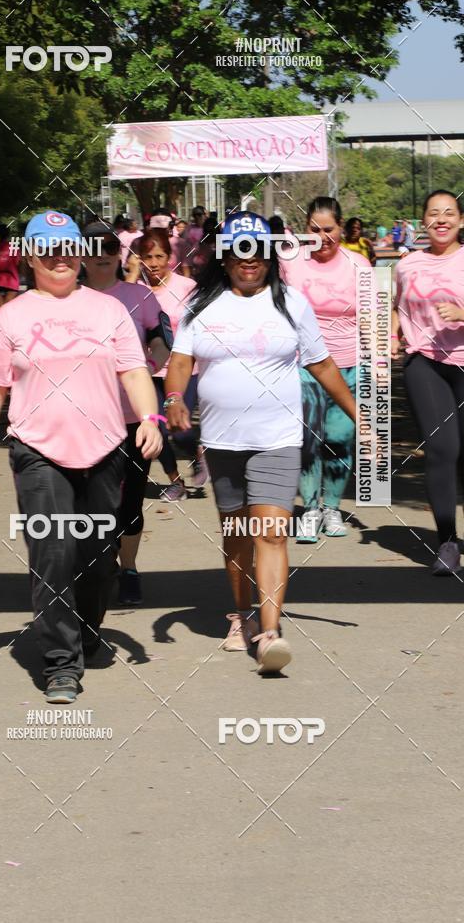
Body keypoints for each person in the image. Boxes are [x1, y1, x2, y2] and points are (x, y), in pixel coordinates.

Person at [0, 211, 162, 703]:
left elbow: (135, 370)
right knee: (52, 552)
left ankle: (88, 625)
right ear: (31, 256)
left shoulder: (108, 311)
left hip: (105, 449)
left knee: (98, 558)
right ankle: (60, 663)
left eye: (68, 249)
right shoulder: (10, 317)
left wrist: (149, 418)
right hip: (37, 452)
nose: (60, 259)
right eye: (48, 250)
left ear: (79, 254)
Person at [166, 212, 356, 674]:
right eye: (239, 251)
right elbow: (179, 360)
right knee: (237, 536)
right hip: (223, 439)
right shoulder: (203, 302)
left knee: (271, 531)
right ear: (226, 256)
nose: (248, 261)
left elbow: (322, 363)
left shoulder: (292, 302)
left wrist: (359, 415)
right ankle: (242, 614)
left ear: (270, 256)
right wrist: (172, 397)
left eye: (257, 251)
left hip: (278, 438)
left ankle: (270, 634)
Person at [82, 221, 169, 606]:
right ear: (80, 255)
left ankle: (129, 567)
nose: (101, 253)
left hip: (133, 417)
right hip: (83, 419)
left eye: (108, 246)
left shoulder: (139, 296)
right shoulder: (68, 297)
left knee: (130, 501)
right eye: (92, 247)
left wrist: (152, 367)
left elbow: (161, 339)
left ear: (119, 253)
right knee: (90, 502)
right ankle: (96, 570)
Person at [282, 197, 369, 540]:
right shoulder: (291, 260)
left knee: (340, 438)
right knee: (307, 439)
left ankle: (332, 508)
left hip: (349, 364)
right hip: (304, 365)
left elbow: (372, 315)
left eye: (329, 230)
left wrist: (380, 353)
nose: (321, 237)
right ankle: (310, 509)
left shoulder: (358, 264)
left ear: (341, 227)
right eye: (314, 230)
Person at [392, 189, 464, 575]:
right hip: (424, 362)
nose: (441, 219)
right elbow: (396, 305)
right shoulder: (408, 265)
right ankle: (447, 543)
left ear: (461, 220)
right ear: (423, 222)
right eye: (434, 213)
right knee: (441, 449)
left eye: (449, 212)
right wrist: (389, 337)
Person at [135, 227, 208, 499]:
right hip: (149, 372)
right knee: (156, 428)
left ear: (170, 257)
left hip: (184, 370)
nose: (153, 263)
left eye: (159, 256)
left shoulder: (186, 288)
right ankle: (175, 481)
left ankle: (197, 452)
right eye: (147, 257)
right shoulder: (136, 290)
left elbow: (203, 325)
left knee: (181, 430)